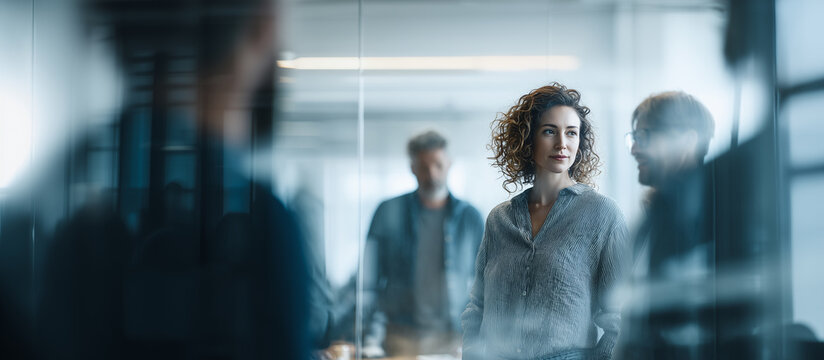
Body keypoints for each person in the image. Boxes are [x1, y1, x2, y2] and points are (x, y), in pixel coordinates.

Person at [461, 82, 629, 360]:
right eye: (550, 131)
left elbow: (620, 320)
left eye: (571, 133)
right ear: (528, 139)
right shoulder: (499, 219)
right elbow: (476, 308)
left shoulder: (603, 215)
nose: (562, 143)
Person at [363, 130, 484, 357]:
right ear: (412, 168)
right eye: (424, 167)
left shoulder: (471, 218)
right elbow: (368, 277)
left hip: (452, 336)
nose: (432, 174)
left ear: (449, 163)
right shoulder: (388, 212)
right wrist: (366, 334)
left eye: (438, 165)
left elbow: (483, 283)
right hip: (401, 334)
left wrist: (475, 336)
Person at [620, 91, 717, 359]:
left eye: (645, 137)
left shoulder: (709, 212)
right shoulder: (654, 212)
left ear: (687, 140)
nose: (635, 149)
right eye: (634, 139)